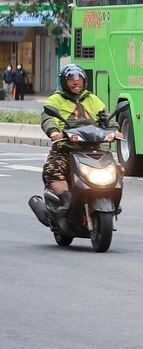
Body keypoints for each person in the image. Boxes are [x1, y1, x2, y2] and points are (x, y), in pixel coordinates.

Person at [30, 64, 117, 227]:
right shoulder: (56, 99)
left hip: (93, 149)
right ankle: (65, 202)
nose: (76, 83)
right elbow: (47, 118)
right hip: (65, 149)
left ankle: (112, 200)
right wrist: (54, 131)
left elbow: (106, 117)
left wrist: (115, 130)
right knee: (52, 170)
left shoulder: (92, 99)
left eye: (79, 80)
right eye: (71, 80)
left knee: (117, 169)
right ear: (64, 82)